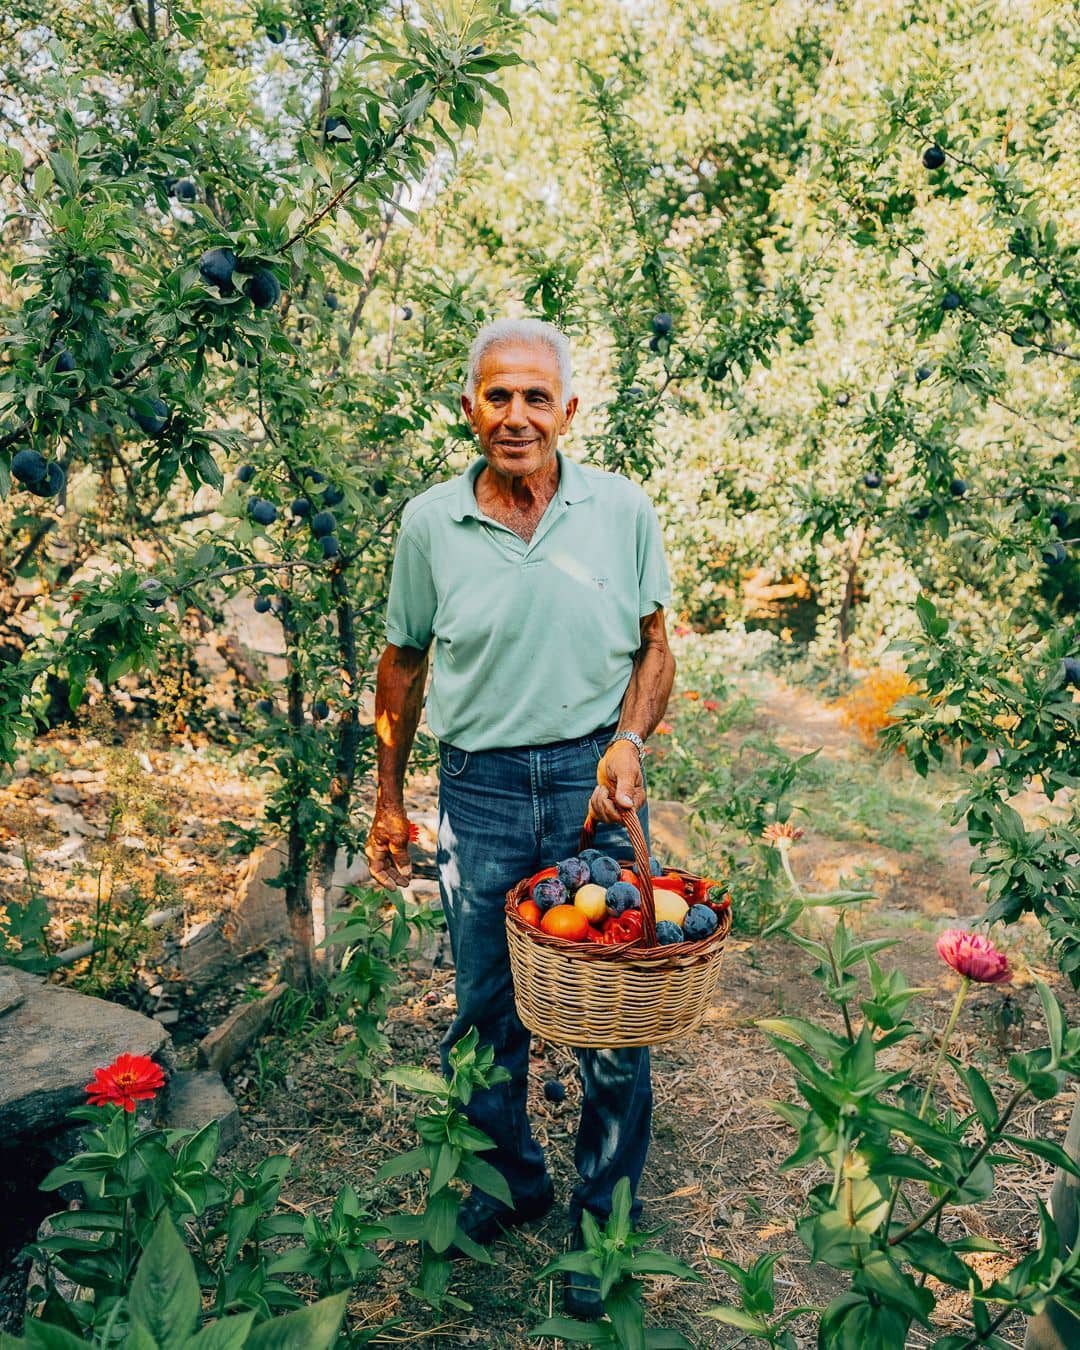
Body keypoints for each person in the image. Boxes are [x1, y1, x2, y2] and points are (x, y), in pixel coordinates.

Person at [365, 317, 675, 1318]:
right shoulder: (428, 525)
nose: (516, 415)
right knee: (482, 1013)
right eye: (497, 396)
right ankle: (512, 1179)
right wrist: (385, 798)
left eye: (536, 397)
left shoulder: (621, 512)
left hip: (594, 786)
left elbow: (655, 647)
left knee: (612, 1017)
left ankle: (606, 1223)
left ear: (569, 410)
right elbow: (402, 665)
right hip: (481, 793)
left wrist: (628, 740)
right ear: (469, 409)